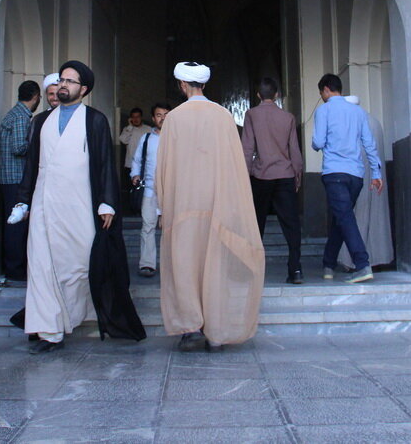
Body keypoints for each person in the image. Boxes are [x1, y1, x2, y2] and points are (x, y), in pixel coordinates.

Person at [10, 61, 145, 353]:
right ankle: (48, 330)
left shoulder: (94, 120)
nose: (63, 85)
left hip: (79, 205)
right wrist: (23, 199)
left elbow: (105, 164)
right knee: (41, 267)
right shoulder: (40, 121)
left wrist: (107, 203)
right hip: (44, 204)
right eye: (61, 80)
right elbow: (31, 165)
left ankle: (71, 317)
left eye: (70, 81)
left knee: (78, 266)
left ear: (83, 89)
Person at [156, 62, 265, 352]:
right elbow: (235, 165)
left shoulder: (174, 119)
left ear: (182, 85)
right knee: (214, 267)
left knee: (184, 265)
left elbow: (163, 166)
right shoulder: (224, 116)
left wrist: (163, 204)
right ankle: (216, 331)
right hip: (217, 205)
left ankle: (190, 327)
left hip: (183, 206)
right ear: (203, 84)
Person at [311, 74, 383, 284]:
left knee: (344, 218)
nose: (322, 96)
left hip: (334, 173)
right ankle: (328, 264)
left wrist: (316, 144)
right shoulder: (358, 112)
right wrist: (376, 173)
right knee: (341, 218)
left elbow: (318, 142)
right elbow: (369, 144)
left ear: (326, 89)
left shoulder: (323, 110)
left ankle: (362, 265)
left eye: (321, 93)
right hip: (356, 176)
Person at [241, 77, 305, 284]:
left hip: (261, 175)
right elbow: (294, 150)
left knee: (256, 225)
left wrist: (244, 175)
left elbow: (247, 148)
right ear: (276, 95)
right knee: (291, 224)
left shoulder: (251, 115)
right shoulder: (288, 118)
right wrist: (297, 174)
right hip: (285, 175)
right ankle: (295, 269)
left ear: (258, 95)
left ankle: (253, 271)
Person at [337, 96, 394, 270]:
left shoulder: (351, 123)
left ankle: (353, 261)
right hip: (376, 178)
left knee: (356, 216)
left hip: (356, 176)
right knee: (376, 216)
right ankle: (379, 257)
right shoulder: (375, 122)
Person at [0, 80, 40, 281]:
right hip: (15, 177)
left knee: (12, 224)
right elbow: (19, 147)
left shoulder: (13, 113)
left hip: (7, 177)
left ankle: (12, 266)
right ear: (36, 96)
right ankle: (15, 269)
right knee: (17, 226)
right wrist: (37, 142)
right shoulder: (22, 116)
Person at [129, 102, 171, 278]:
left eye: (166, 115)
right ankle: (147, 264)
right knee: (148, 227)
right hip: (149, 190)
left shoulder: (177, 138)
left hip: (171, 192)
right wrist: (135, 175)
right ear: (153, 118)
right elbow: (137, 160)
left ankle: (172, 266)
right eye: (159, 115)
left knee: (172, 230)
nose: (163, 118)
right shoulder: (146, 139)